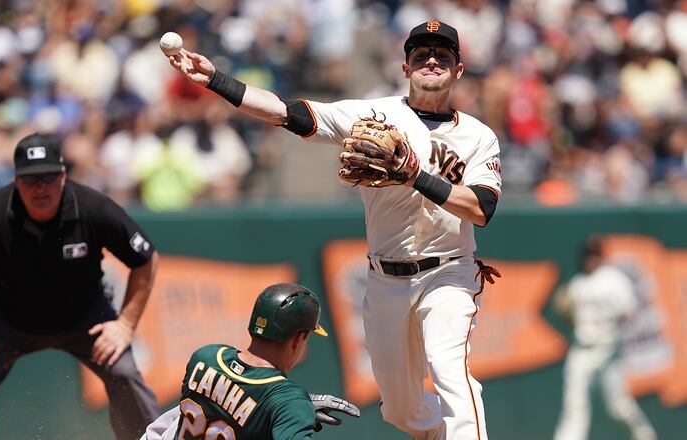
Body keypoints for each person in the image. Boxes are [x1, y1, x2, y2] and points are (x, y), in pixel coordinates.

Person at [163, 19, 502, 440]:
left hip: (448, 272)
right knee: (400, 410)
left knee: (451, 370)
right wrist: (216, 80)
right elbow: (289, 113)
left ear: (458, 70)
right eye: (420, 54)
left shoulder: (478, 136)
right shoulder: (376, 114)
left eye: (443, 55)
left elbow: (482, 208)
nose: (431, 60)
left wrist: (416, 175)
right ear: (404, 68)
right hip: (386, 279)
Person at [0, 133, 161, 439]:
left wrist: (125, 325)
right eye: (30, 179)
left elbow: (146, 259)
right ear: (16, 180)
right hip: (6, 318)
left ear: (63, 176)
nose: (40, 188)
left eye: (48, 178)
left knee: (124, 373)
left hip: (85, 318)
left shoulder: (92, 208)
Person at [141, 283, 360, 439]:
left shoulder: (205, 357)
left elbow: (230, 398)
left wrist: (282, 411)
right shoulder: (288, 401)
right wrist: (290, 412)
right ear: (299, 339)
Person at [552, 236, 657, 440]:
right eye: (587, 256)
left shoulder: (615, 281)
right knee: (575, 406)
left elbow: (631, 313)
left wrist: (613, 326)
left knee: (617, 406)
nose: (590, 260)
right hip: (581, 350)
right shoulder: (578, 284)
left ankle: (644, 436)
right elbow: (569, 318)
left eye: (594, 256)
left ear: (601, 256)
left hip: (609, 349)